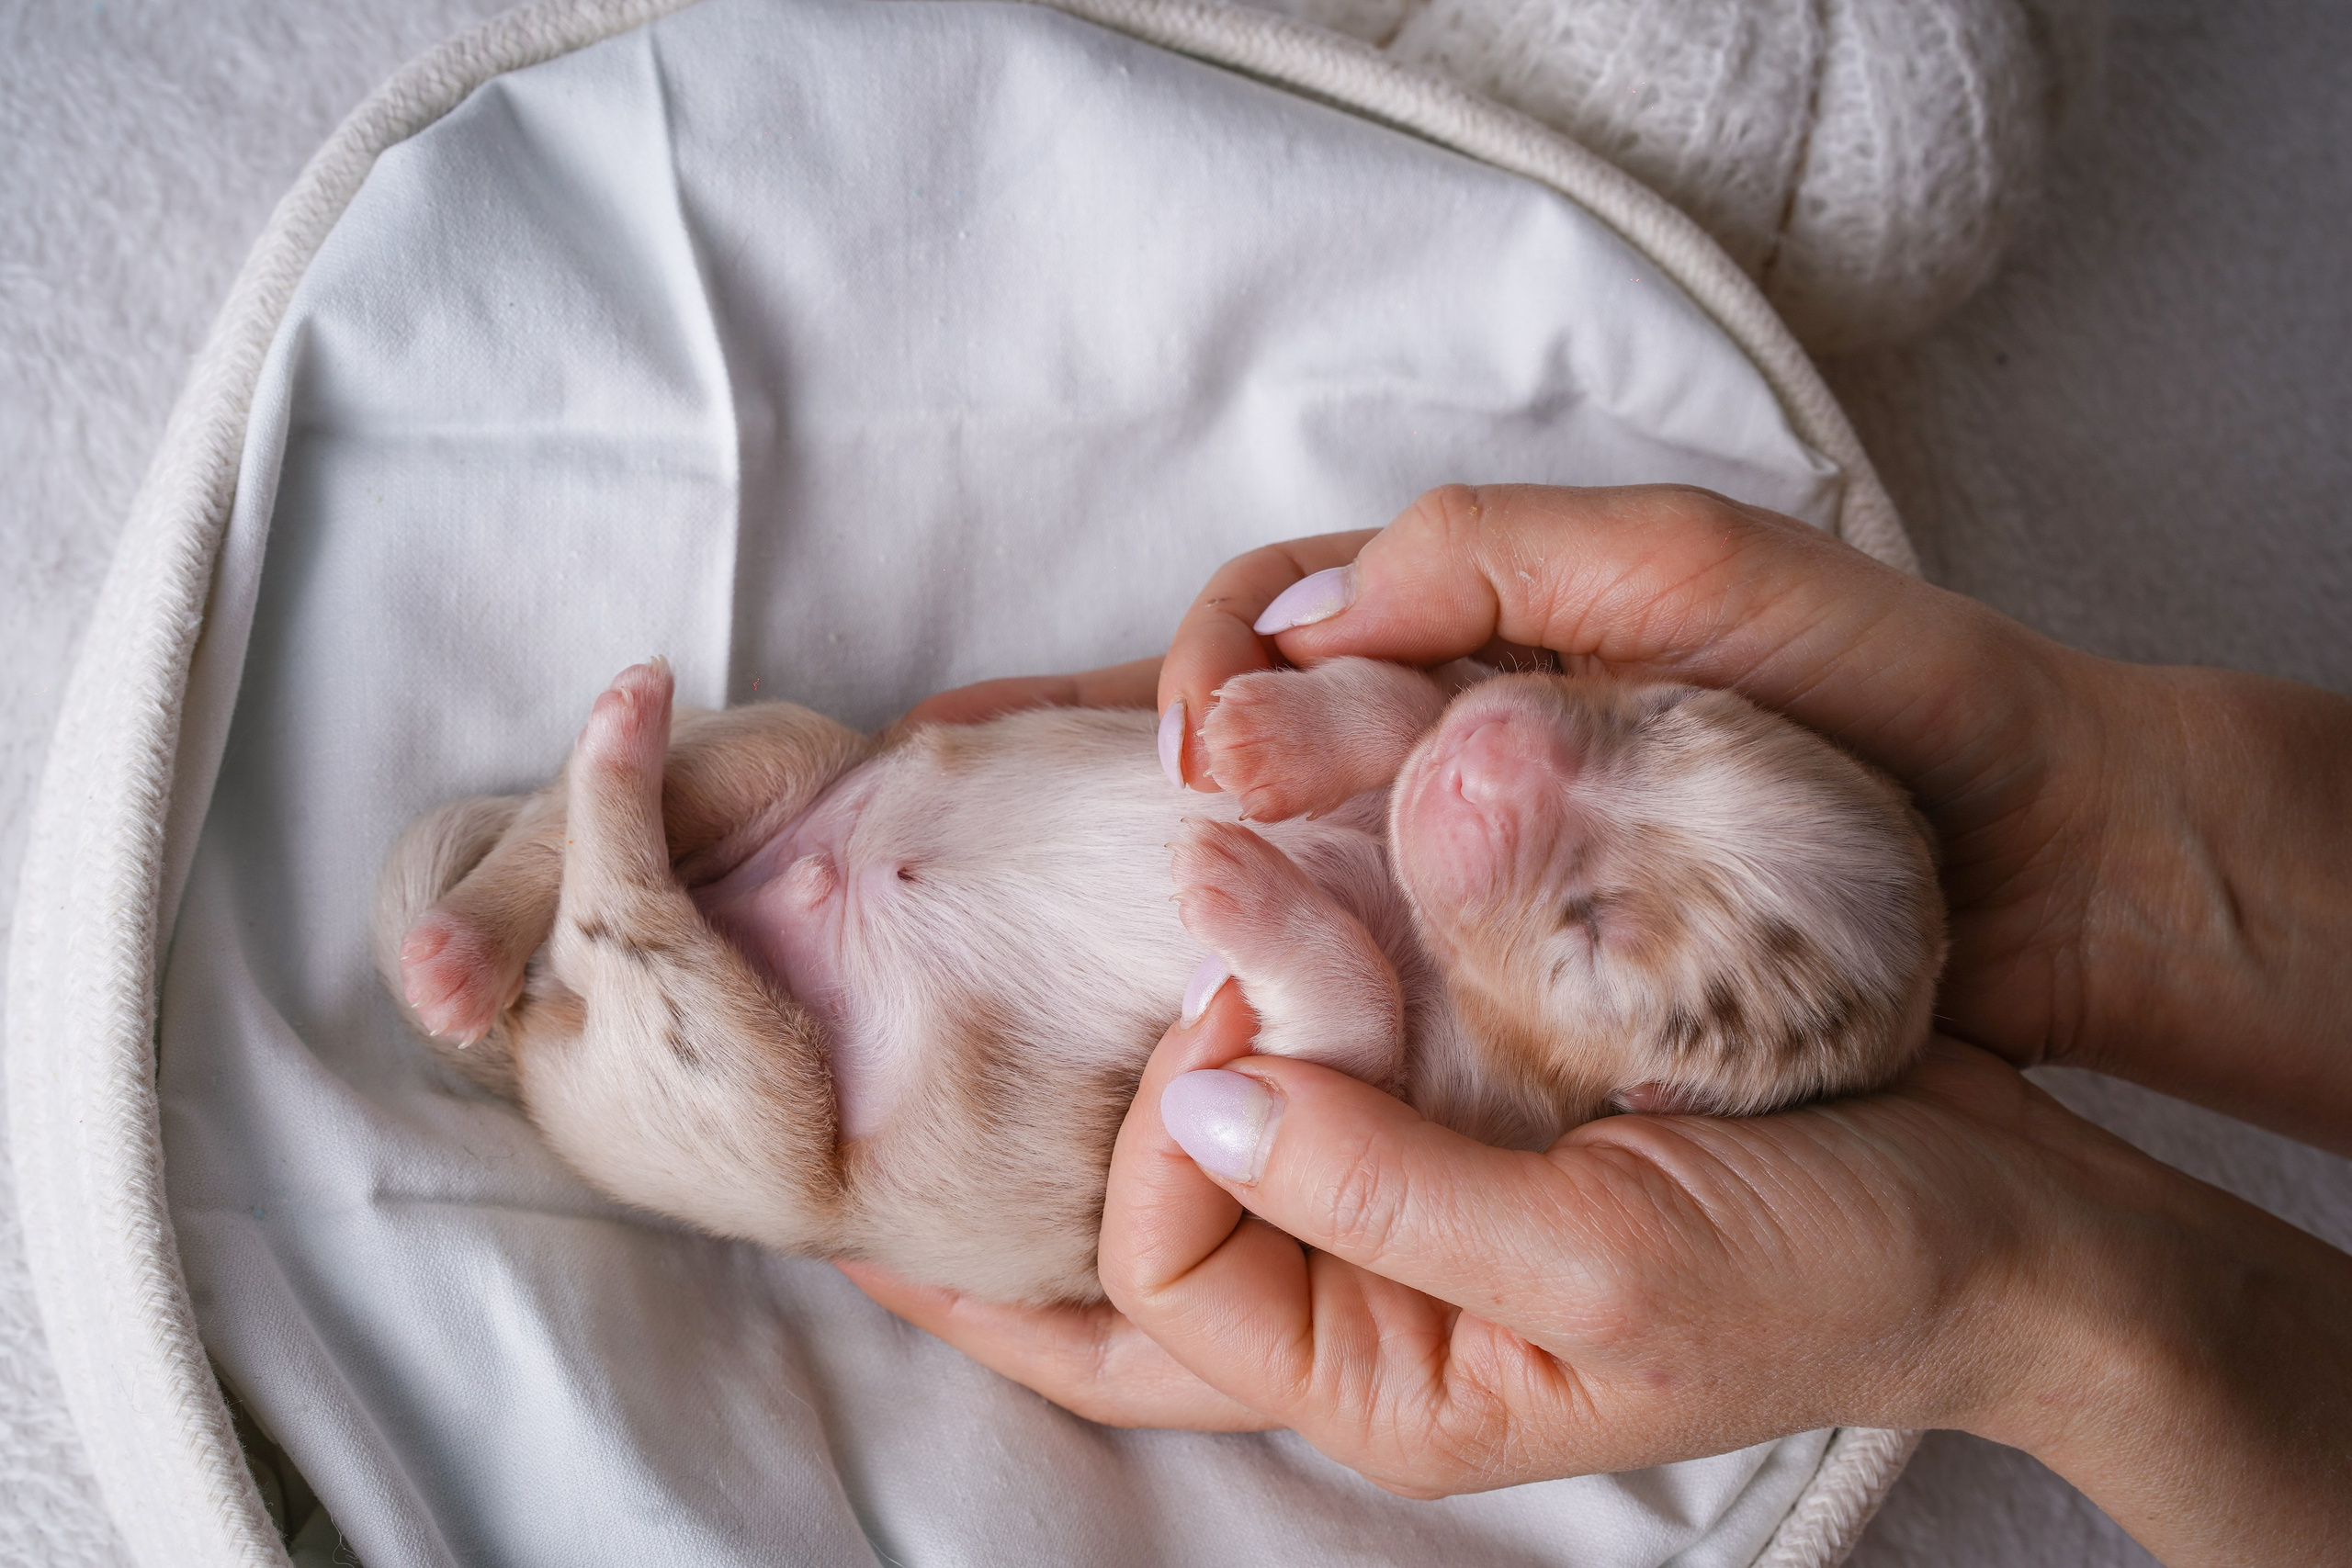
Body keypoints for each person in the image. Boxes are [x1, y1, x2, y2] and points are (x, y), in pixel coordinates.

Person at [847, 484, 2352, 1568]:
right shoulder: (1521, 791)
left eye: (1588, 920)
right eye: (1651, 726)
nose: (1513, 756)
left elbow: (1340, 1072)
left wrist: (2033, 1314)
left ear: (1636, 1090)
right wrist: (1350, 721)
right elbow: (1417, 720)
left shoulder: (1523, 1111)